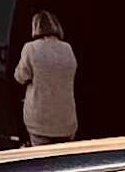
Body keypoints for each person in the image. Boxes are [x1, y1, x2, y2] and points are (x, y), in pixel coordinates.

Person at [13, 10, 79, 146]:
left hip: (40, 122)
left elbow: (20, 77)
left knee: (42, 163)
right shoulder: (67, 48)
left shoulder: (30, 48)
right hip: (66, 121)